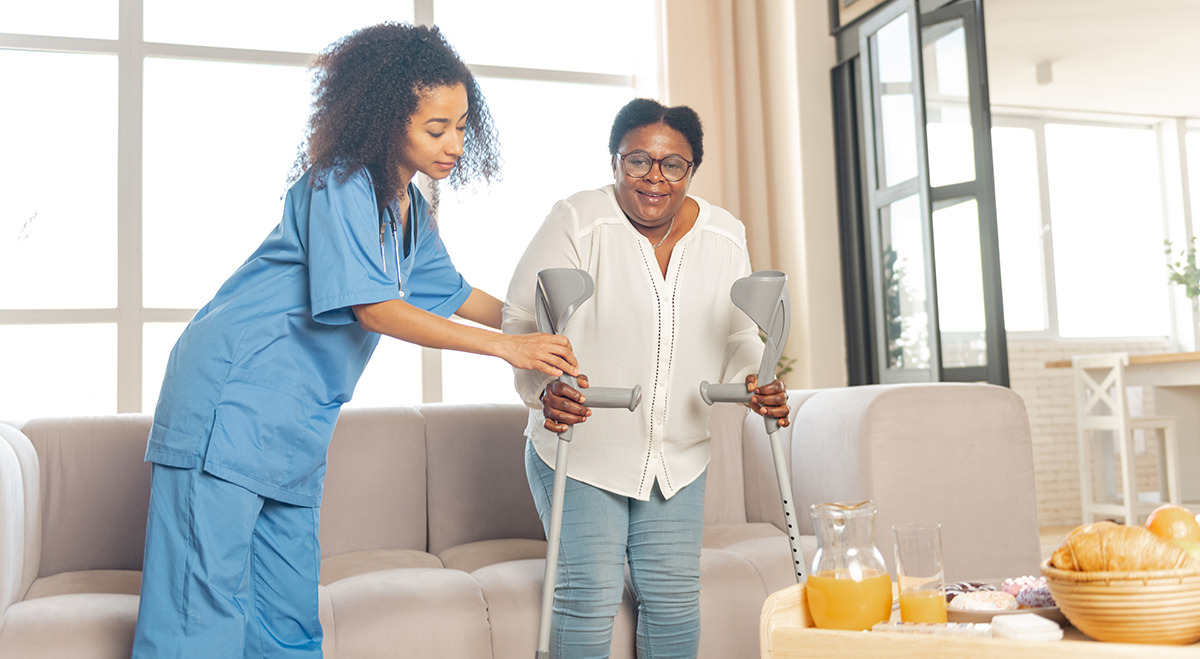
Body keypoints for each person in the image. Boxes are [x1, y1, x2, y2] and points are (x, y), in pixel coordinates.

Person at [131, 23, 577, 658]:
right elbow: (374, 307)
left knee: (286, 617)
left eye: (460, 125)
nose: (454, 143)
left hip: (294, 428)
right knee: (196, 616)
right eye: (436, 128)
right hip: (228, 403)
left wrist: (538, 327)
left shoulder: (409, 210)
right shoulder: (339, 182)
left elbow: (454, 294)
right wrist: (509, 350)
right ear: (388, 119)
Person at [502, 98, 791, 659]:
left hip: (677, 458)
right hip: (581, 449)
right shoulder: (578, 219)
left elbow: (737, 334)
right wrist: (545, 392)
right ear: (615, 163)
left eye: (672, 164)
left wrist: (754, 379)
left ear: (691, 171)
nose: (654, 178)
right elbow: (520, 321)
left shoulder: (725, 235)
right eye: (638, 161)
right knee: (589, 595)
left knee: (674, 600)